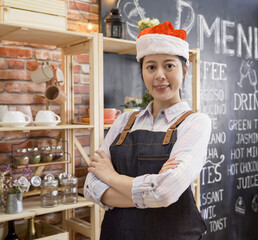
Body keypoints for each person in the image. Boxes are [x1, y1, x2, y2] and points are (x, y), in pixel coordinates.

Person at [84, 21, 212, 240]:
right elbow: (90, 186)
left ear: (184, 69)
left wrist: (111, 176)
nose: (159, 75)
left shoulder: (196, 122)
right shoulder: (123, 121)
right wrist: (151, 190)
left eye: (169, 66)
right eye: (151, 67)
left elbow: (165, 192)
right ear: (143, 71)